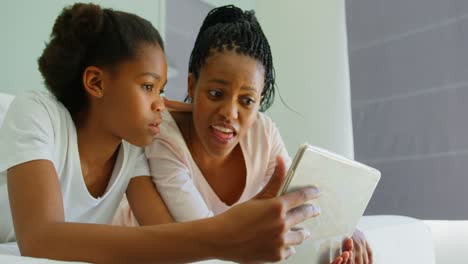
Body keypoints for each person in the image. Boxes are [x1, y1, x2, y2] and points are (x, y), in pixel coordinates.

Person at [0, 3, 326, 263]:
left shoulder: (131, 150)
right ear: (96, 83)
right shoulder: (37, 114)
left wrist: (233, 238)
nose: (160, 104)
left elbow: (169, 237)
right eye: (147, 86)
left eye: (161, 90)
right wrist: (223, 235)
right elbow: (39, 238)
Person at [114, 5, 369, 264]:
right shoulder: (165, 137)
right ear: (192, 85)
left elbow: (304, 207)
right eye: (215, 94)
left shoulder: (264, 133)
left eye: (246, 101)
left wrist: (342, 232)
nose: (229, 113)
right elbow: (208, 239)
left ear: (259, 102)